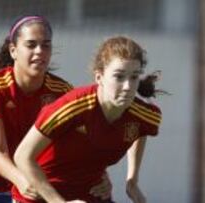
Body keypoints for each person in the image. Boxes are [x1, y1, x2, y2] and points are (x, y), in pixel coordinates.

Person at [0, 15, 111, 203]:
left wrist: (101, 176)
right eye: (31, 45)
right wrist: (23, 181)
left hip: (31, 189)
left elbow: (81, 144)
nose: (40, 51)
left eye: (46, 45)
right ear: (13, 50)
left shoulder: (63, 92)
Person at [13, 36, 163, 203]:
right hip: (41, 197)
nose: (128, 86)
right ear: (99, 77)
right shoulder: (72, 107)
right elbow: (22, 156)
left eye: (134, 77)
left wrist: (132, 181)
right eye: (119, 77)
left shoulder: (144, 115)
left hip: (92, 195)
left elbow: (141, 130)